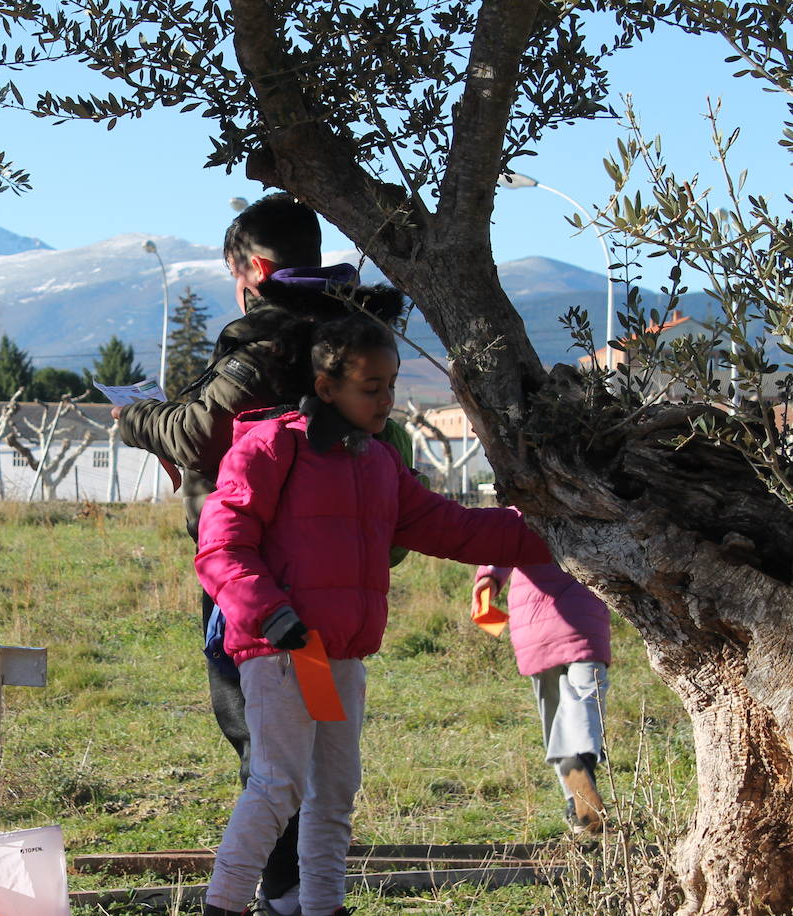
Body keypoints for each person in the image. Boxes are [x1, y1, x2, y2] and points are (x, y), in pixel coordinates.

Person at [114, 194, 415, 915]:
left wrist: (137, 420)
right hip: (335, 583)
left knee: (267, 756)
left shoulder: (270, 340)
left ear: (250, 267)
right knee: (319, 764)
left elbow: (195, 432)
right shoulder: (352, 328)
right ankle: (310, 899)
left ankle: (264, 898)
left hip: (258, 589)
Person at [193, 312, 553, 916]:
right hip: (285, 650)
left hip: (336, 656)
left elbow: (453, 527)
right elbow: (221, 544)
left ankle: (323, 906)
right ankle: (223, 906)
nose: (386, 399)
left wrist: (552, 531)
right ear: (326, 385)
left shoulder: (378, 461)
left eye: (391, 383)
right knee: (278, 787)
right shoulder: (272, 445)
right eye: (371, 386)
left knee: (333, 791)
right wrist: (268, 613)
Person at [471, 562, 611, 833]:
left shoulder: (520, 517)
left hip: (532, 622)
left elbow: (499, 540)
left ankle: (575, 804)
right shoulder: (596, 516)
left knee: (553, 712)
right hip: (582, 615)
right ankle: (580, 760)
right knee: (586, 695)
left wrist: (487, 579)